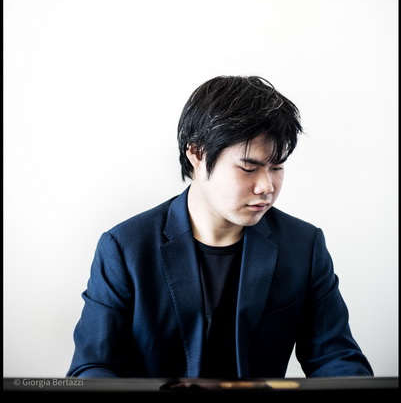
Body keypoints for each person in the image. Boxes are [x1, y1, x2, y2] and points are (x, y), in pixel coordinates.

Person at [67, 75, 373, 379]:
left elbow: (335, 355)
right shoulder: (125, 248)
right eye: (249, 168)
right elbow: (93, 366)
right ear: (197, 154)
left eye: (277, 167)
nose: (267, 186)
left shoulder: (303, 246)